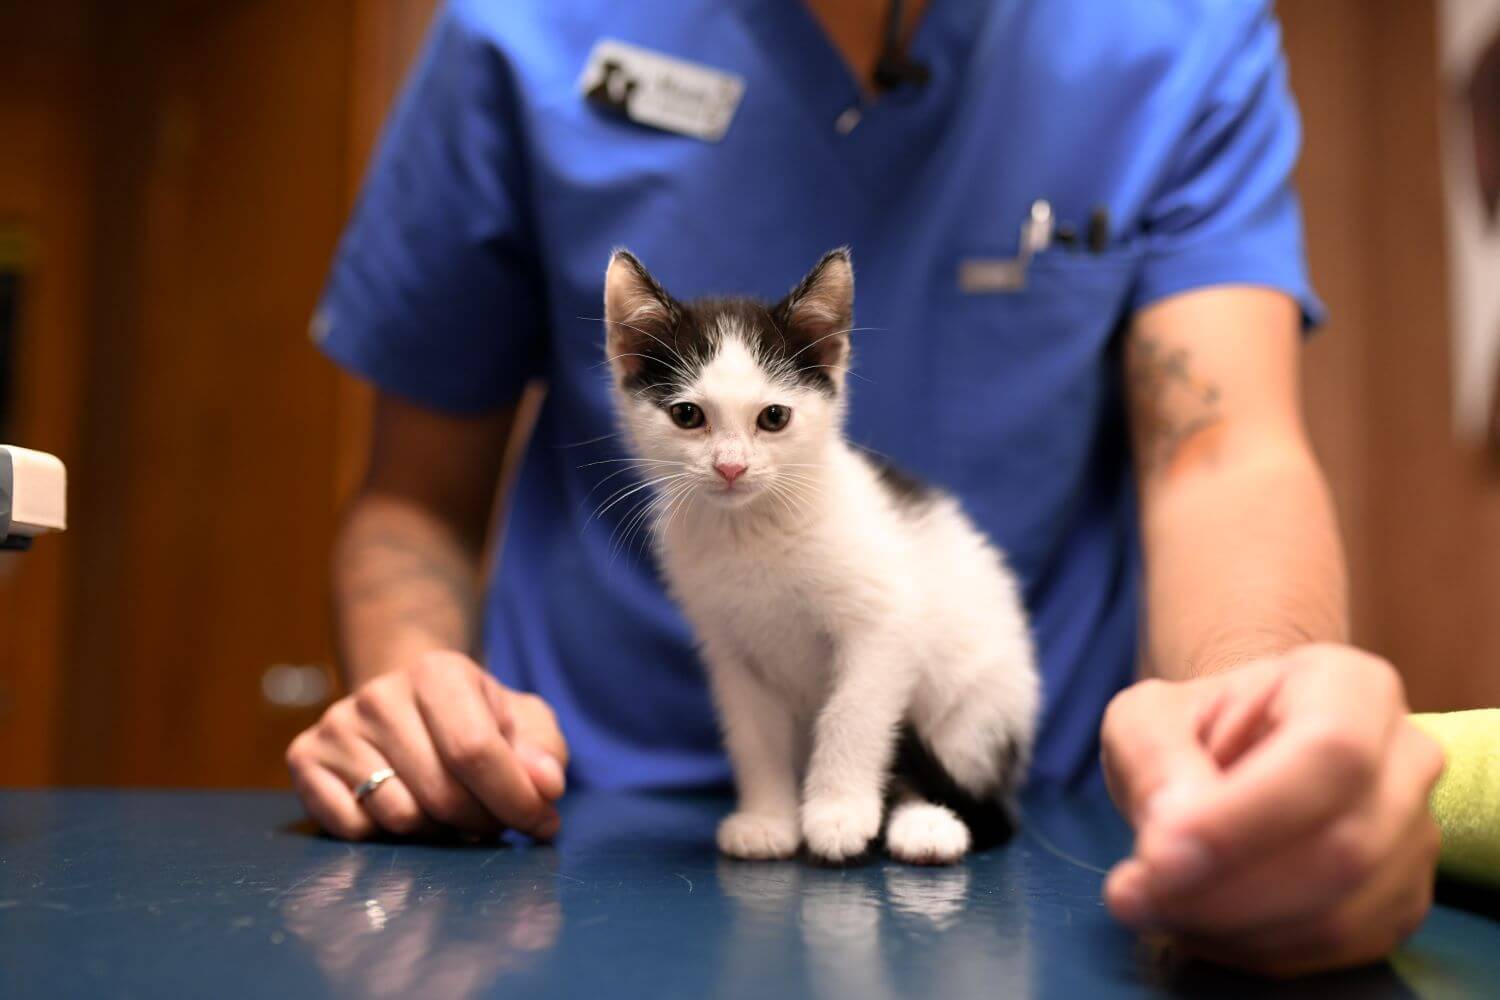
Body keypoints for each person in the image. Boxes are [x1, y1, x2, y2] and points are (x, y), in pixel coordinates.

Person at [285, 0, 1444, 976]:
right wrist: (423, 714)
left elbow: (1221, 451)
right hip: (570, 835)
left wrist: (1251, 723)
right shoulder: (524, 28)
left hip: (1024, 844)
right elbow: (416, 501)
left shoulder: (1174, 32)